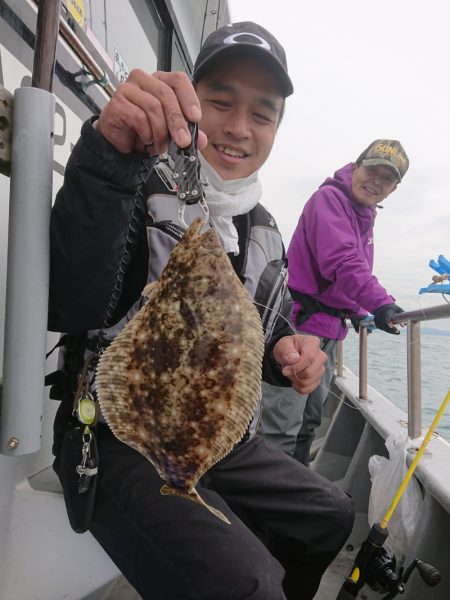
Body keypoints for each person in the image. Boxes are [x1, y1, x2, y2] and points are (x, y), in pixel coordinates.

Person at [47, 22, 354, 600]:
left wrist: (289, 354)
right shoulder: (134, 179)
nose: (239, 127)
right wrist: (108, 160)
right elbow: (70, 302)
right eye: (220, 101)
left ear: (277, 129)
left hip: (214, 432)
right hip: (117, 433)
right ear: (191, 102)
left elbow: (261, 336)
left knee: (330, 512)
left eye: (262, 114)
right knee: (247, 584)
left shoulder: (262, 228)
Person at [259, 140, 409, 465]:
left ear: (394, 188)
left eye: (387, 178)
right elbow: (341, 262)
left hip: (329, 330)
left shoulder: (363, 214)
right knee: (281, 427)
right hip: (299, 325)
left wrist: (355, 311)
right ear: (355, 168)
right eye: (372, 170)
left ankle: (292, 492)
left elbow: (334, 276)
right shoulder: (330, 199)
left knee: (309, 422)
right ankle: (260, 507)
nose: (376, 181)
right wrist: (380, 303)